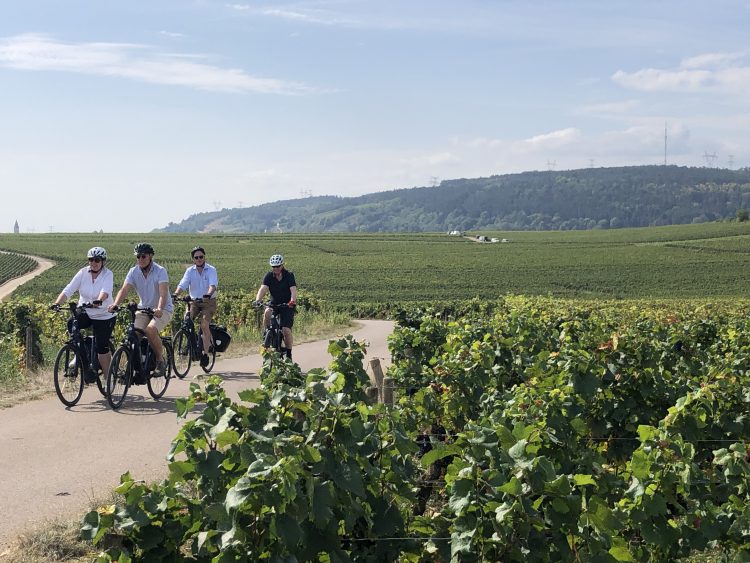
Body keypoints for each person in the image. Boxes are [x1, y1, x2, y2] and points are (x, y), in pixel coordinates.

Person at [108, 242, 173, 377]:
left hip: (163, 309)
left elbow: (163, 294)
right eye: (138, 257)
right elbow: (124, 289)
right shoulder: (133, 271)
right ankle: (135, 365)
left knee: (150, 330)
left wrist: (159, 308)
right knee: (133, 335)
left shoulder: (160, 271)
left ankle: (160, 361)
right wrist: (115, 304)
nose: (140, 259)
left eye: (143, 256)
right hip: (144, 309)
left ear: (150, 257)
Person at [52, 247, 116, 381]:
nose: (94, 262)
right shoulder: (82, 273)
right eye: (91, 260)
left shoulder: (107, 274)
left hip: (103, 314)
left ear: (103, 261)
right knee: (72, 322)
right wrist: (57, 303)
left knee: (101, 348)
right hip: (86, 311)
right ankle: (81, 356)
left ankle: (108, 380)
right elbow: (69, 289)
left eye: (97, 260)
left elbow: (106, 291)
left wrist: (99, 300)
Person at [173, 245, 218, 367]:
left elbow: (212, 285)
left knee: (204, 325)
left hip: (208, 302)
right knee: (186, 320)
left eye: (201, 257)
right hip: (194, 302)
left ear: (204, 257)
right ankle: (190, 346)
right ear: (193, 259)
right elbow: (182, 284)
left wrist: (208, 294)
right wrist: (176, 294)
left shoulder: (211, 270)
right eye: (196, 257)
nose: (199, 259)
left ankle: (205, 353)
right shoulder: (190, 271)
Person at [254, 254, 297, 359]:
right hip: (274, 304)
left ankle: (289, 353)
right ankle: (267, 333)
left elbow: (293, 290)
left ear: (282, 265)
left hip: (287, 305)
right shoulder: (269, 276)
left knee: (286, 330)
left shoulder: (289, 275)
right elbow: (263, 288)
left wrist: (292, 301)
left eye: (278, 266)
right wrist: (257, 300)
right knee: (267, 312)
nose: (276, 268)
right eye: (273, 266)